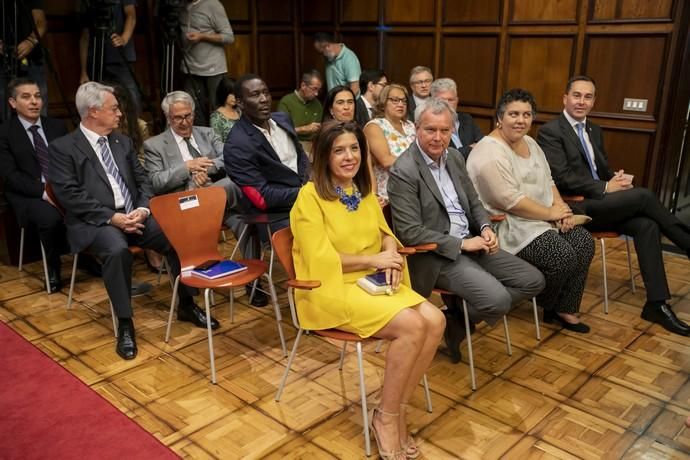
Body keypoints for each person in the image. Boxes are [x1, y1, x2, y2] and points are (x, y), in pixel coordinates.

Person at [291, 120, 444, 459]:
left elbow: (383, 230)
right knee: (412, 326)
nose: (350, 157)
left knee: (435, 320)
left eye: (355, 148)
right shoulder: (310, 196)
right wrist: (375, 260)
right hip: (329, 287)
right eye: (339, 150)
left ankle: (397, 407)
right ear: (323, 157)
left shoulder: (362, 192)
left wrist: (389, 250)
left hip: (369, 282)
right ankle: (386, 419)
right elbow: (320, 260)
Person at [48, 82, 219, 360]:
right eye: (114, 108)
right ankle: (125, 323)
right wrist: (112, 217)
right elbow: (69, 195)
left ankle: (187, 304)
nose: (120, 114)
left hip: (134, 215)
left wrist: (142, 209)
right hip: (97, 221)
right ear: (92, 112)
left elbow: (143, 181)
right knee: (116, 251)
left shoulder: (122, 141)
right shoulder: (63, 148)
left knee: (179, 236)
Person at [387, 98, 545, 363]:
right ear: (417, 128)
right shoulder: (404, 171)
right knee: (497, 300)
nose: (438, 138)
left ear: (452, 130)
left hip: (473, 243)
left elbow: (473, 201)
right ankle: (462, 313)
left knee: (533, 281)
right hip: (437, 255)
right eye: (430, 130)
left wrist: (484, 227)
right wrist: (461, 245)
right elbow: (409, 232)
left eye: (445, 131)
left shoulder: (454, 158)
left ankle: (457, 317)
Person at [537, 75, 690, 336]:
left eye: (587, 97)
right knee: (644, 197)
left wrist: (614, 178)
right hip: (577, 208)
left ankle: (656, 304)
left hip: (603, 205)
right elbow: (561, 177)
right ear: (565, 98)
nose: (581, 101)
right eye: (576, 95)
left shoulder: (594, 130)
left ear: (594, 101)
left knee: (647, 224)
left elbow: (601, 170)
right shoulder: (550, 131)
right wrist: (606, 188)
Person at [467, 89, 594, 333]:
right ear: (499, 117)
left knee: (584, 242)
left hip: (541, 218)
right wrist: (552, 214)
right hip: (507, 226)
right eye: (513, 114)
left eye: (526, 114)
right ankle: (545, 300)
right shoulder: (489, 152)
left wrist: (562, 210)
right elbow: (511, 202)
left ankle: (563, 308)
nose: (521, 120)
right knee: (562, 255)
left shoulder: (532, 143)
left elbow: (548, 180)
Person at [143, 91, 265, 306]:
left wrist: (206, 169)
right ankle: (266, 206)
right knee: (234, 185)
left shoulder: (207, 133)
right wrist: (187, 169)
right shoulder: (154, 145)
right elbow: (155, 182)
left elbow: (229, 157)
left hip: (217, 200)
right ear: (168, 117)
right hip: (184, 206)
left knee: (246, 221)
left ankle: (254, 285)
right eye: (177, 118)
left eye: (188, 116)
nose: (184, 122)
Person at [0, 77, 67, 292]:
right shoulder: (4, 133)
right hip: (27, 194)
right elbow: (10, 176)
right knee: (50, 218)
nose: (34, 102)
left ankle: (89, 257)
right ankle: (54, 268)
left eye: (37, 96)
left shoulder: (56, 126)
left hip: (62, 187)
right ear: (12, 102)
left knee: (90, 205)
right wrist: (44, 192)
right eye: (26, 97)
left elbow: (71, 162)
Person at [224, 74, 310, 230]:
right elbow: (263, 197)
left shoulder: (283, 120)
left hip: (308, 200)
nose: (264, 99)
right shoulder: (237, 144)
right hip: (276, 214)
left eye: (266, 93)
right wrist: (307, 193)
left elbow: (301, 157)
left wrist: (312, 186)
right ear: (240, 103)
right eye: (255, 95)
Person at [79, 0, 141, 115]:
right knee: (99, 102)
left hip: (120, 57)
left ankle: (135, 128)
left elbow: (131, 15)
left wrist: (124, 38)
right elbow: (85, 36)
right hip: (95, 60)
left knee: (131, 98)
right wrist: (83, 71)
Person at [180, 0, 234, 126]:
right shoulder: (180, 6)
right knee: (192, 108)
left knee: (218, 107)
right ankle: (201, 141)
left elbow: (229, 37)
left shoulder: (212, 4)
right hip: (189, 67)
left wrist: (202, 36)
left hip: (213, 67)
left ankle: (221, 140)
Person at [364, 83, 416, 200]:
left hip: (413, 188)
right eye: (395, 100)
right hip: (388, 192)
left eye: (404, 101)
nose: (400, 104)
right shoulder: (375, 126)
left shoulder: (410, 126)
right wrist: (420, 163)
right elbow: (386, 160)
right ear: (383, 103)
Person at [0, 1, 48, 121]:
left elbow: (41, 23)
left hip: (31, 60)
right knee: (3, 106)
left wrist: (31, 41)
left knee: (37, 103)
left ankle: (38, 138)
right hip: (2, 61)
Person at [429, 78, 483, 159]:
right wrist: (470, 148)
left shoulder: (467, 119)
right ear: (433, 101)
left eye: (451, 100)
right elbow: (446, 156)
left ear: (457, 100)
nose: (447, 104)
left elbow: (482, 143)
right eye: (442, 100)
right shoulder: (431, 125)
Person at [277, 69, 323, 153]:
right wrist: (304, 129)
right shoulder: (287, 102)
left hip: (312, 147)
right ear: (303, 85)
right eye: (314, 89)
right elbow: (280, 131)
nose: (316, 94)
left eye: (318, 90)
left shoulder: (317, 104)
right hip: (291, 145)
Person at [209, 76, 240, 142]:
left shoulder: (240, 111)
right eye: (232, 94)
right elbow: (217, 143)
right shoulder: (216, 117)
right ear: (224, 93)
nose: (235, 97)